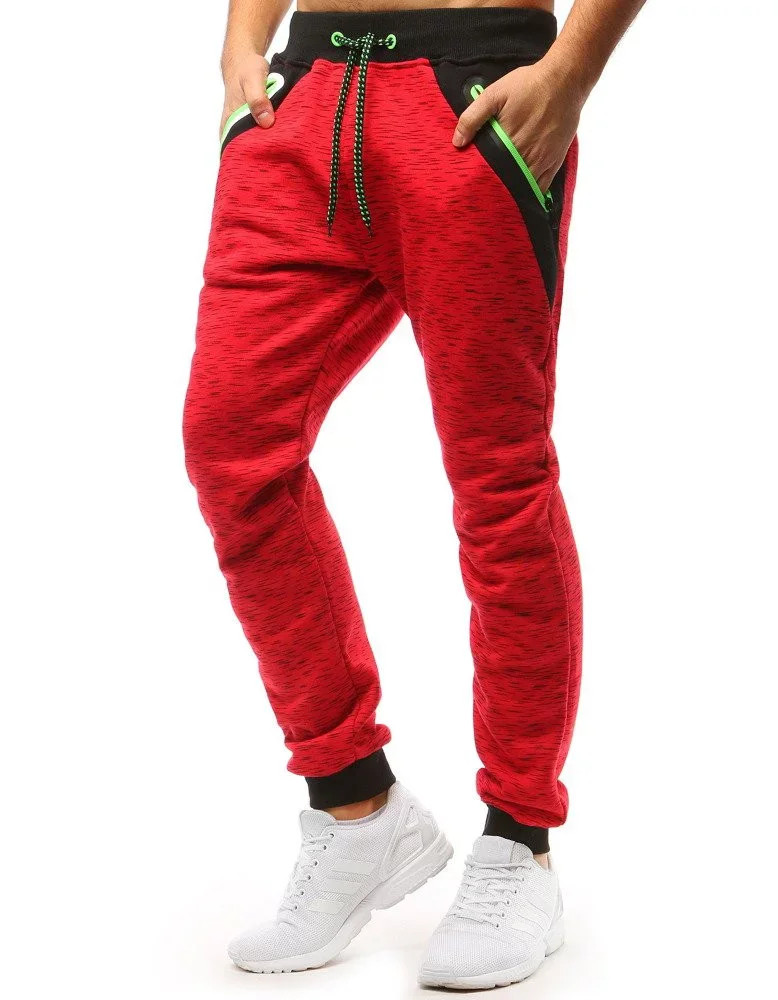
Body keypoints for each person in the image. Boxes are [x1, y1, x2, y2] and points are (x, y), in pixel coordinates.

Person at [183, 0, 645, 988]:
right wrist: (241, 44)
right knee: (232, 447)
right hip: (299, 103)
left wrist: (572, 71)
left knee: (498, 480)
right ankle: (355, 804)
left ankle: (519, 841)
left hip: (470, 100)